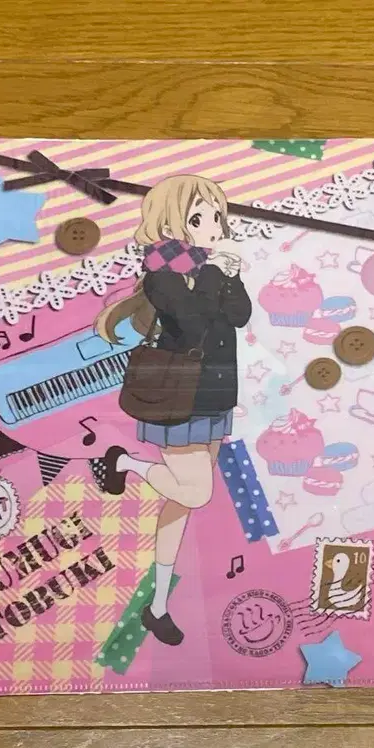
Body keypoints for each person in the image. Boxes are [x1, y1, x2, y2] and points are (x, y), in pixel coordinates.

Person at [94, 174, 252, 646]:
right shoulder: (161, 273)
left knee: (181, 502)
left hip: (216, 394)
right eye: (199, 218)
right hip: (177, 396)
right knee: (196, 492)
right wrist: (214, 271)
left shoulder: (214, 268)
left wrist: (230, 274)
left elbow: (239, 316)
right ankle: (126, 463)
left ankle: (158, 605)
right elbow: (192, 323)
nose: (213, 226)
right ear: (169, 224)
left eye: (217, 217)